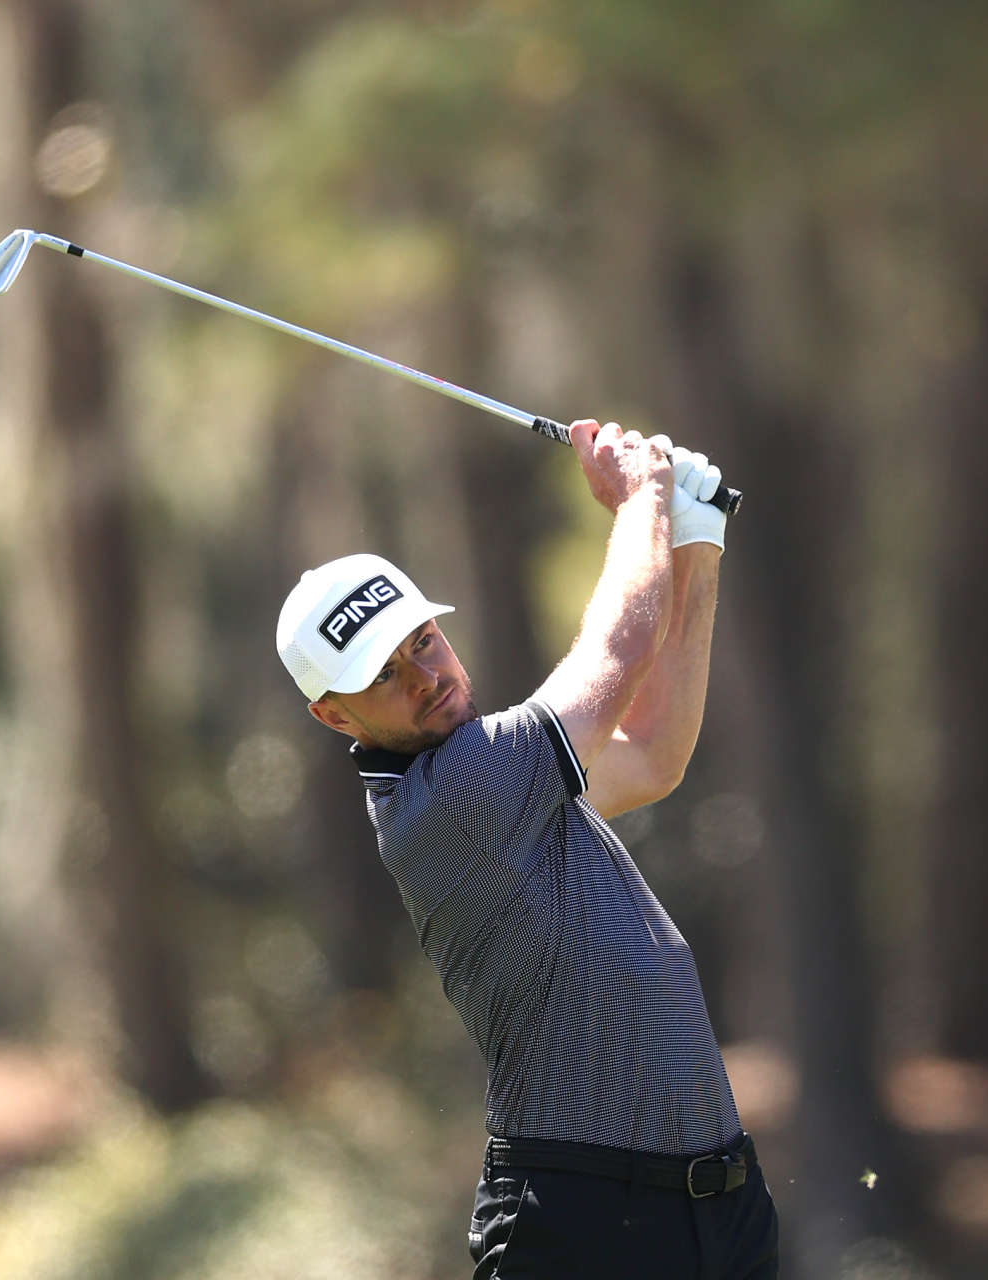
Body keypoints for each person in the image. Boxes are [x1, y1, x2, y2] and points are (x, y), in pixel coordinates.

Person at [275, 419, 779, 1279]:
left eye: (422, 642)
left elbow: (652, 755)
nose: (426, 679)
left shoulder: (503, 782)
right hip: (585, 1219)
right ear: (333, 715)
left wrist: (696, 541)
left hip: (715, 1212)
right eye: (384, 675)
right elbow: (619, 650)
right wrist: (643, 498)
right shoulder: (457, 791)